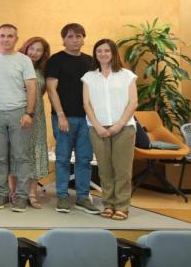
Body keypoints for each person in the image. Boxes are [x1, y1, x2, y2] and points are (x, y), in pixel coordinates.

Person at [45, 23, 101, 214]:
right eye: (70, 36)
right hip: (64, 117)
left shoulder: (91, 61)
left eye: (78, 36)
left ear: (84, 38)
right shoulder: (56, 60)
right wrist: (61, 115)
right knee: (62, 158)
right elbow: (51, 89)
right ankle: (62, 196)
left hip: (87, 119)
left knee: (84, 159)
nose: (75, 40)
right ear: (63, 40)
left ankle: (83, 197)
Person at [82, 39, 138, 221]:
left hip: (124, 128)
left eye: (107, 51)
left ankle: (122, 206)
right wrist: (98, 126)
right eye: (99, 51)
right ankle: (108, 204)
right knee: (105, 169)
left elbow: (133, 102)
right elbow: (86, 103)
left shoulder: (126, 75)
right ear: (95, 54)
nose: (103, 54)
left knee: (122, 169)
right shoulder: (89, 77)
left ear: (113, 53)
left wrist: (118, 125)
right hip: (97, 129)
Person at [0, 24, 37, 212]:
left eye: (10, 36)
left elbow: (32, 87)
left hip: (18, 113)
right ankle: (2, 194)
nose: (6, 39)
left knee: (20, 157)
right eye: (2, 36)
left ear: (16, 39)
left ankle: (21, 197)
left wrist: (28, 113)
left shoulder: (24, 60)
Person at [19, 36, 51, 208]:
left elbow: (42, 91)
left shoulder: (42, 70)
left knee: (35, 151)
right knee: (18, 152)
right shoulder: (17, 65)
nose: (34, 53)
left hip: (37, 116)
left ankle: (32, 193)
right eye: (32, 48)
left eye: (39, 50)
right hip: (18, 114)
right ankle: (17, 192)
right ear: (26, 47)